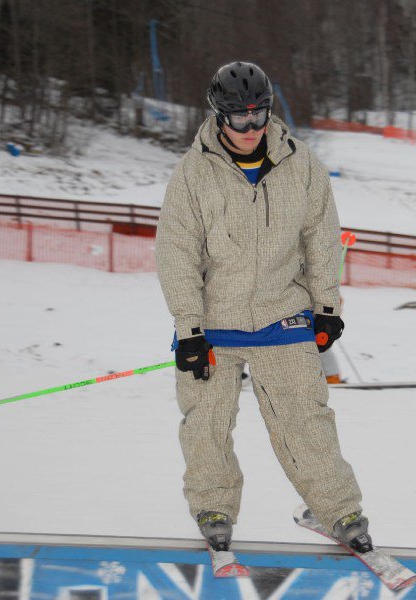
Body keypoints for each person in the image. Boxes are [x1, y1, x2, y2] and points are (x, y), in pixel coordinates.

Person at [156, 60, 372, 554]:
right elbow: (176, 253)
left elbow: (321, 239)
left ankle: (339, 511)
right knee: (206, 421)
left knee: (306, 419)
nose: (251, 129)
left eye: (259, 117)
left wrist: (326, 306)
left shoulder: (303, 165)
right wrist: (189, 328)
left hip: (283, 314)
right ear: (219, 116)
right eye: (239, 120)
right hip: (213, 325)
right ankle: (213, 506)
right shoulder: (192, 175)